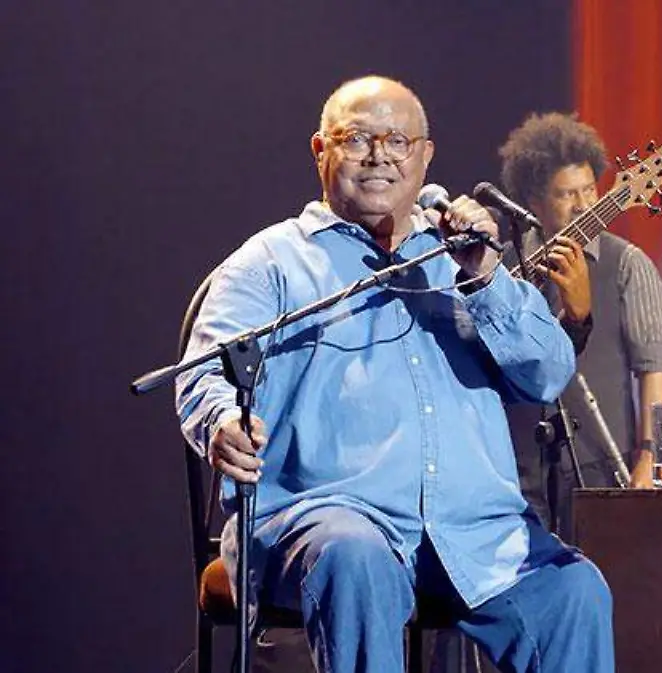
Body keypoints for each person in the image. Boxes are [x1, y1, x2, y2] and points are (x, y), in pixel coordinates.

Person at [175, 75, 614, 673]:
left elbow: (547, 374)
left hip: (470, 533)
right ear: (320, 151)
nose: (379, 156)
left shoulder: (461, 259)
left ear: (425, 156)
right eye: (357, 139)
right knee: (356, 558)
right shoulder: (271, 262)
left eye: (398, 141)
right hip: (323, 522)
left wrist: (486, 278)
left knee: (574, 592)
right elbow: (205, 371)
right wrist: (223, 422)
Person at [496, 112, 662, 540]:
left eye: (589, 189)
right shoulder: (501, 265)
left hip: (597, 464)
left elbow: (653, 370)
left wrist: (650, 457)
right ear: (534, 203)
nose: (582, 204)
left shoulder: (627, 264)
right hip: (513, 466)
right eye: (565, 194)